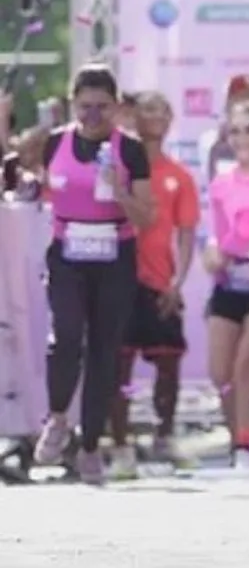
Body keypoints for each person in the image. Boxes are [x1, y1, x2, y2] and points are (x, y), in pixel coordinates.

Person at [33, 64, 154, 485]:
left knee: (105, 348)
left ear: (117, 107)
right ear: (72, 104)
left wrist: (118, 189)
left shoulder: (131, 149)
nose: (93, 117)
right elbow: (35, 182)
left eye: (102, 107)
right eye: (85, 107)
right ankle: (58, 416)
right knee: (67, 334)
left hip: (114, 251)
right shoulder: (54, 143)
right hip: (68, 251)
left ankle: (89, 447)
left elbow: (148, 215)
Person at [110, 92, 199, 477]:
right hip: (119, 280)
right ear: (133, 117)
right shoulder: (118, 167)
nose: (156, 117)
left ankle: (164, 436)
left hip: (160, 282)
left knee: (168, 363)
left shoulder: (180, 176)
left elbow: (186, 233)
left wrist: (177, 282)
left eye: (163, 110)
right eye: (148, 110)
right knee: (119, 369)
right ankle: (121, 447)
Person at [202, 100, 249, 464]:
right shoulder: (221, 183)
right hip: (228, 282)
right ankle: (238, 440)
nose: (243, 137)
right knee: (220, 373)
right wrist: (214, 252)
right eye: (236, 131)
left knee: (246, 364)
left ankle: (248, 443)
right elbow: (214, 234)